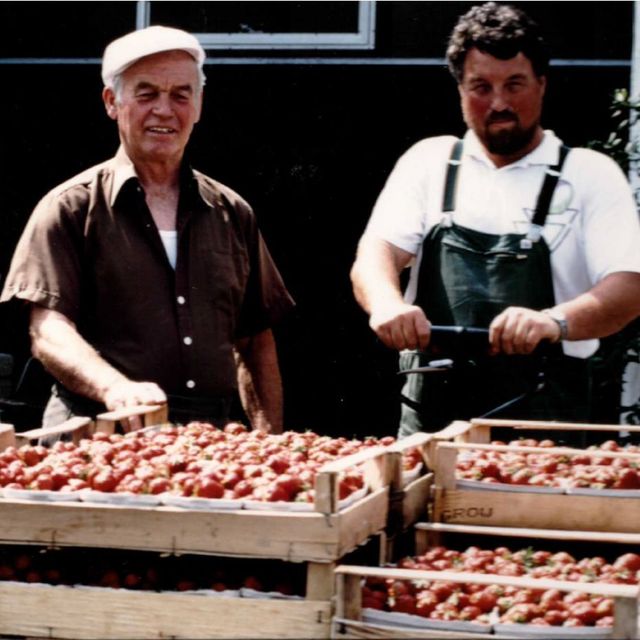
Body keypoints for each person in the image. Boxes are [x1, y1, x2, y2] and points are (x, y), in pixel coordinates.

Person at [351, 2, 640, 438]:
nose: (499, 103)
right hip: (432, 428)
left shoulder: (589, 174)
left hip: (542, 434)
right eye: (481, 87)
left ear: (542, 84)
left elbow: (630, 286)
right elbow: (377, 253)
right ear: (460, 89)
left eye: (514, 84)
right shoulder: (429, 163)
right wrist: (387, 305)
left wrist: (554, 321)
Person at [1, 26, 294, 433]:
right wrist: (115, 388)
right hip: (98, 435)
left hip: (208, 443)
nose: (164, 110)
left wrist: (267, 441)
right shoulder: (70, 207)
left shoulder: (231, 212)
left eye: (180, 95)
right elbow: (47, 329)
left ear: (199, 105)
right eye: (147, 94)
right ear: (112, 102)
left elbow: (256, 340)